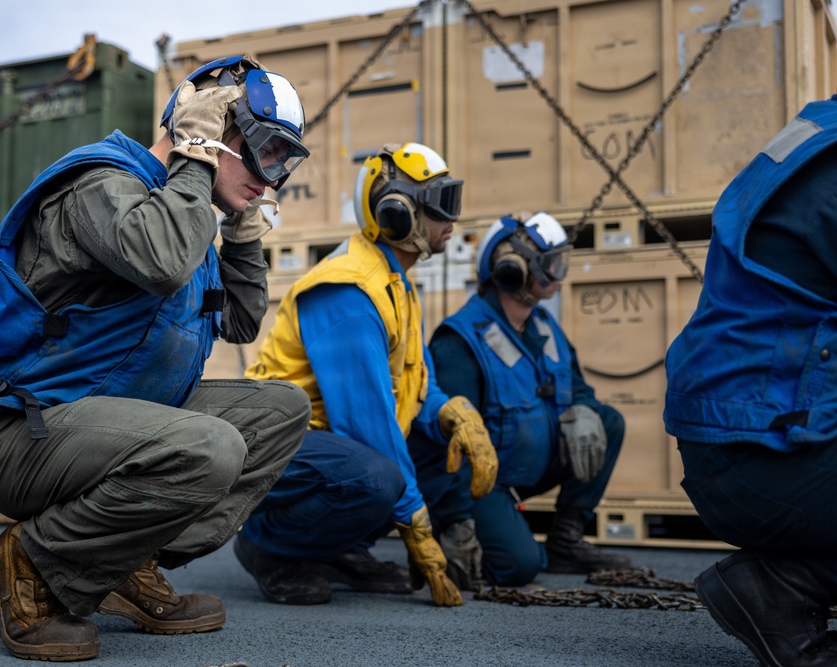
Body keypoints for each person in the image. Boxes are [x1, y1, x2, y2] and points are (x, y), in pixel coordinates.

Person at [0, 55, 313, 661]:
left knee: (279, 411)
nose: (270, 179)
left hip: (107, 428)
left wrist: (243, 235)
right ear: (210, 126)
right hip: (24, 434)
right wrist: (197, 156)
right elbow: (161, 262)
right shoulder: (101, 184)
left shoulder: (187, 215)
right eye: (264, 153)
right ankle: (31, 563)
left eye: (283, 162)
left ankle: (119, 561)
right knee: (210, 446)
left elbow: (240, 322)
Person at [236, 142, 499, 607]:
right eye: (443, 204)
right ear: (397, 213)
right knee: (376, 477)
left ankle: (338, 549)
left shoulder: (397, 284)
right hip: (276, 444)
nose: (453, 219)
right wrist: (417, 525)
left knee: (443, 445)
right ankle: (268, 545)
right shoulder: (348, 291)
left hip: (323, 446)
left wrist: (448, 413)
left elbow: (416, 386)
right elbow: (368, 425)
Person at [664, 96, 837, 666]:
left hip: (749, 439)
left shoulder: (817, 133)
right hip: (763, 453)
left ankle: (788, 580)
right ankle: (784, 589)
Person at [409, 213, 630, 590]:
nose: (559, 276)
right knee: (520, 566)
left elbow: (576, 386)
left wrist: (584, 409)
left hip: (527, 463)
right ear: (512, 272)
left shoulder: (542, 324)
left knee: (606, 422)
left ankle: (566, 540)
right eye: (551, 265)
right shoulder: (460, 340)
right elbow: (452, 447)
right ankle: (460, 536)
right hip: (480, 483)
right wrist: (458, 522)